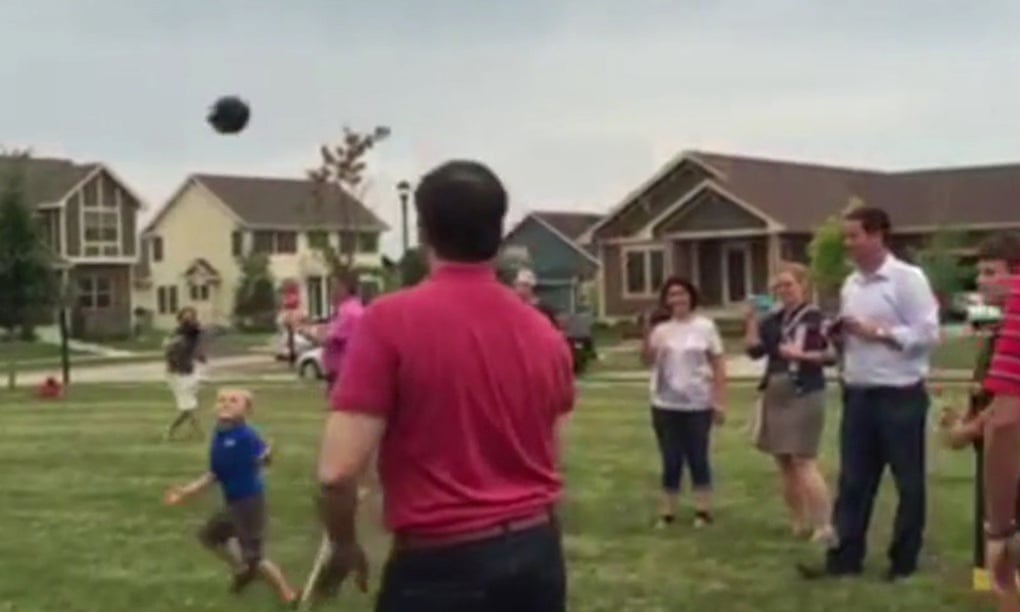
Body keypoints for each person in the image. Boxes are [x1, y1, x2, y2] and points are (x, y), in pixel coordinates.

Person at [311, 160, 575, 611]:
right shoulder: (544, 333)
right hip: (536, 552)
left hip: (440, 562)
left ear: (423, 230)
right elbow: (549, 448)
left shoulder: (389, 321)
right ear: (498, 229)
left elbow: (337, 472)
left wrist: (343, 543)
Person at [798, 206, 939, 582]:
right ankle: (845, 557)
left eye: (854, 236)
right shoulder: (851, 285)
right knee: (854, 481)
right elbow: (853, 337)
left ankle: (904, 560)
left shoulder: (907, 280)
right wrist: (841, 335)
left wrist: (879, 333)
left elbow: (927, 334)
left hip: (900, 395)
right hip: (858, 393)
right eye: (845, 237)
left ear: (877, 236)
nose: (848, 244)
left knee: (908, 481)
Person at [937, 233, 1020, 603]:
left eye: (991, 272)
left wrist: (963, 431)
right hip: (996, 449)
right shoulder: (996, 326)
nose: (982, 281)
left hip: (1010, 457)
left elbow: (1006, 413)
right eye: (979, 273)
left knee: (1006, 561)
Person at [164, 388, 299, 606]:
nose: (226, 403)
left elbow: (263, 458)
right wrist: (186, 492)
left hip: (249, 504)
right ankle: (242, 569)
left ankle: (287, 594)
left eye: (233, 401)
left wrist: (266, 456)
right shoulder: (219, 434)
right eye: (222, 400)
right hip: (233, 503)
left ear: (246, 410)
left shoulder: (246, 435)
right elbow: (215, 473)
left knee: (255, 558)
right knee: (209, 536)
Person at [744, 262, 834, 543]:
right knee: (783, 460)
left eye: (789, 284)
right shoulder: (772, 320)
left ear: (803, 286)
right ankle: (799, 521)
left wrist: (802, 356)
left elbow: (832, 356)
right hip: (776, 389)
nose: (784, 291)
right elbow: (755, 352)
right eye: (779, 286)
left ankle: (824, 524)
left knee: (803, 459)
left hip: (805, 389)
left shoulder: (816, 318)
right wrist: (750, 321)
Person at [642, 276, 726, 528]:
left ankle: (703, 510)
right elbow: (647, 360)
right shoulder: (662, 330)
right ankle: (668, 511)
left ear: (691, 297)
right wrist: (647, 334)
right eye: (672, 295)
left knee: (698, 456)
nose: (677, 299)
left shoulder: (705, 327)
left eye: (682, 294)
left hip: (697, 403)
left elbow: (718, 364)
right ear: (666, 300)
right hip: (665, 403)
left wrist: (719, 400)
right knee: (670, 457)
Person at [164, 307, 207, 440]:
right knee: (188, 406)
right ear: (180, 318)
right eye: (185, 316)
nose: (188, 319)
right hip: (177, 374)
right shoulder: (175, 335)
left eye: (191, 316)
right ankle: (199, 433)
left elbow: (196, 336)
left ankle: (171, 430)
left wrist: (200, 356)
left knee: (188, 406)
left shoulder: (194, 333)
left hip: (190, 371)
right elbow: (169, 351)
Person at [321, 272, 365, 392]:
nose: (331, 293)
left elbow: (328, 339)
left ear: (344, 289)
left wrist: (301, 329)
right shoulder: (357, 309)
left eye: (334, 288)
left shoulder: (347, 312)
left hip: (343, 374)